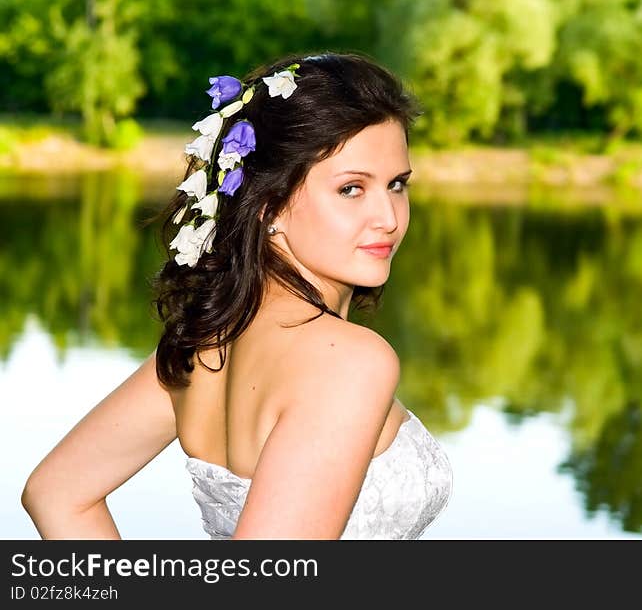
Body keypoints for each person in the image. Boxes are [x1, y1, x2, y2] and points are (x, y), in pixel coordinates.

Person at [21, 52, 453, 539]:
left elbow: (58, 493)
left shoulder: (204, 346)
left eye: (397, 185)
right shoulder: (350, 362)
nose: (390, 218)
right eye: (352, 189)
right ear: (270, 207)